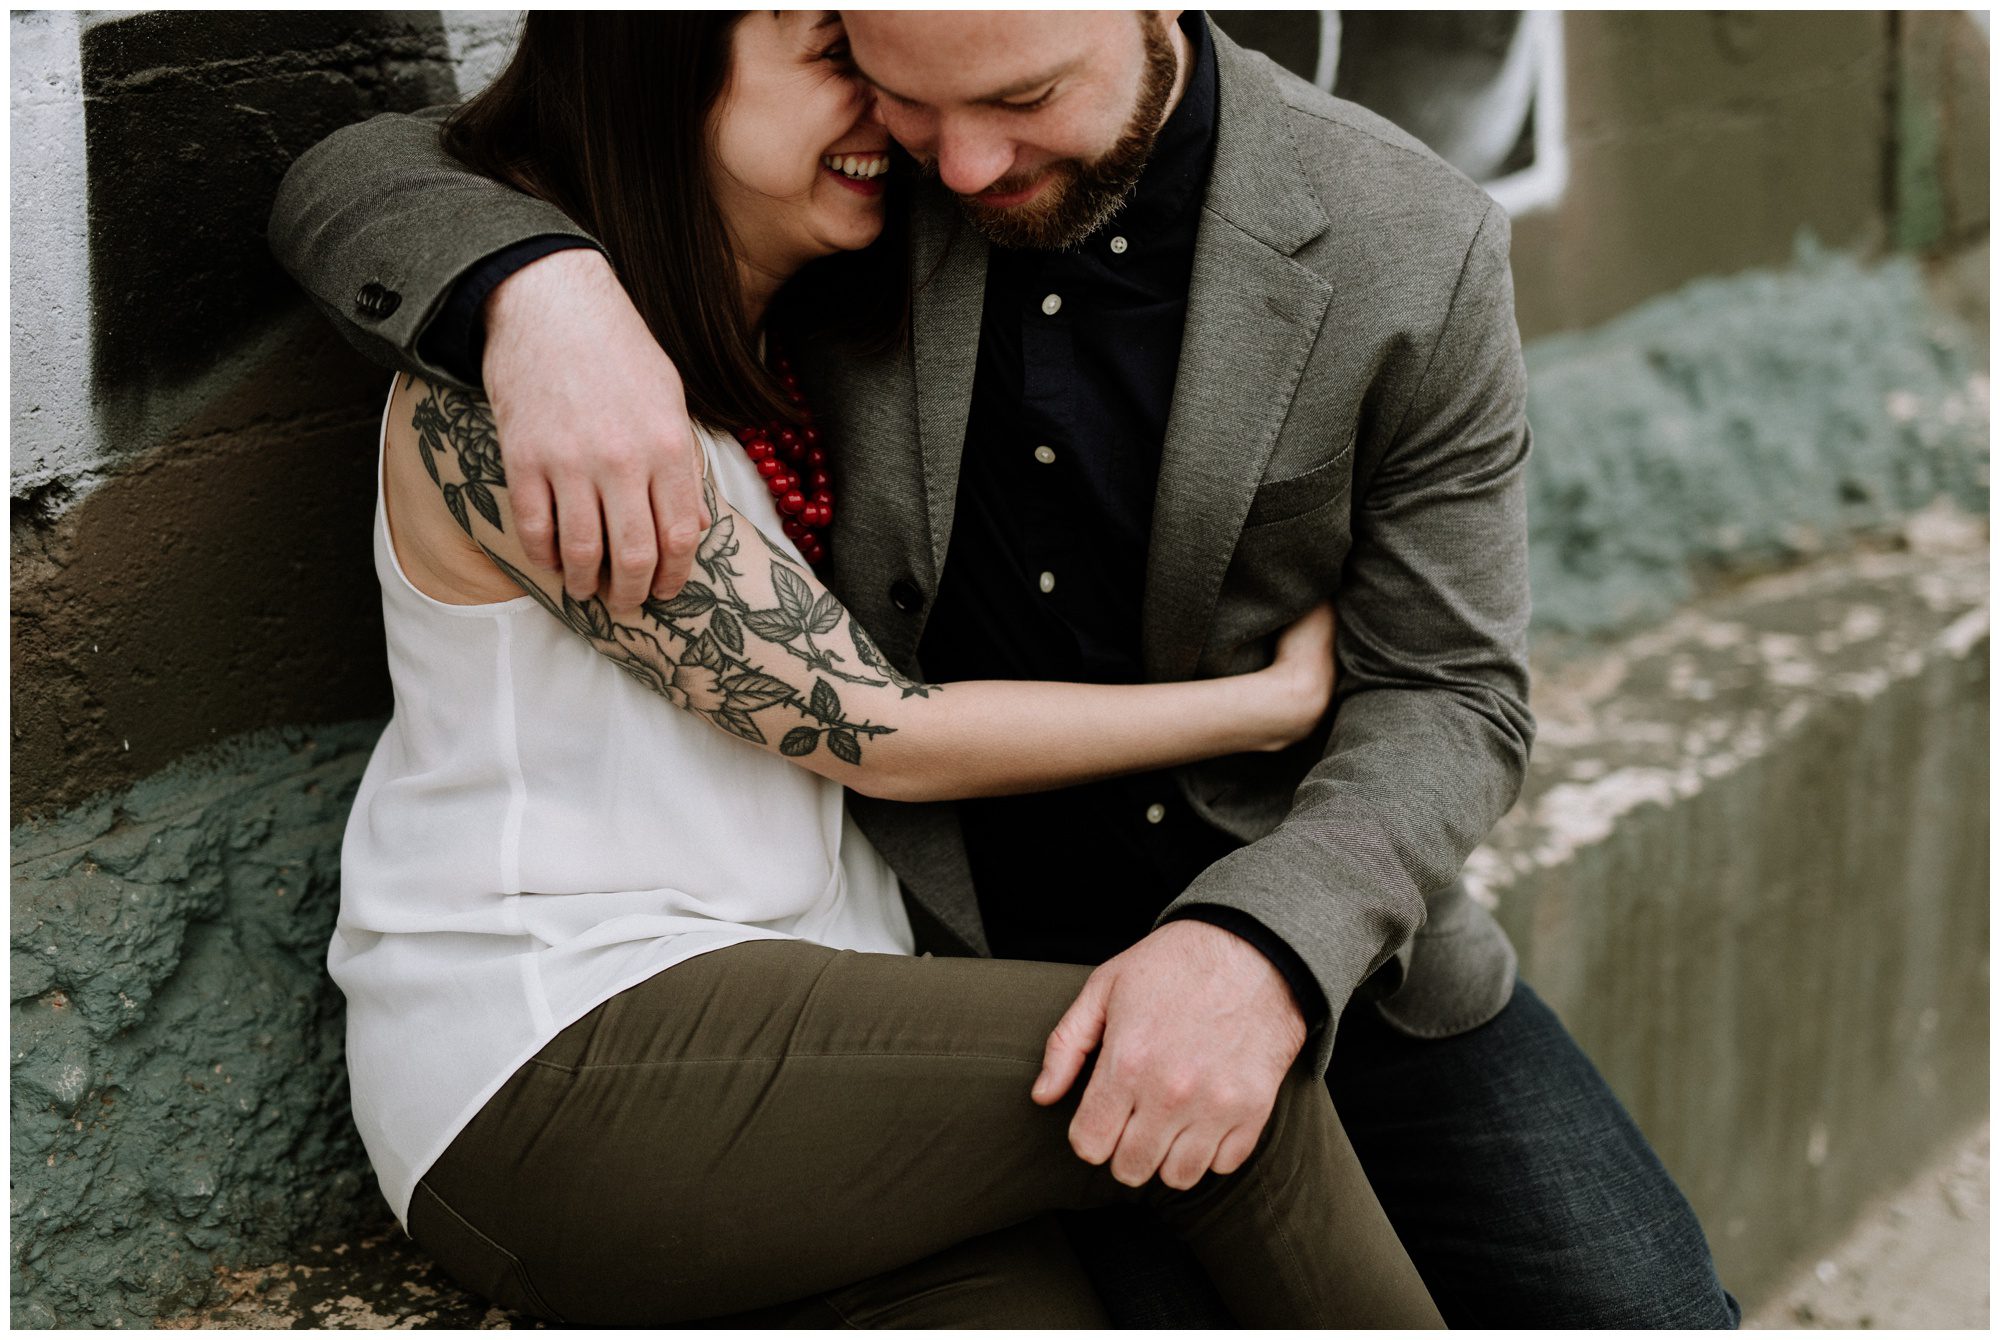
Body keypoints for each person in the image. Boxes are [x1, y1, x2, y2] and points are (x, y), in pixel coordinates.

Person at [274, 8, 1739, 1328]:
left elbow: (1457, 695)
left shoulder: (1402, 242)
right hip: (969, 956)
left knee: (1648, 1308)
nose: (963, 167)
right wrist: (537, 290)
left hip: (1303, 916)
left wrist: (1264, 947)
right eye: (887, 84)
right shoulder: (859, 193)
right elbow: (392, 159)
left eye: (1022, 96)